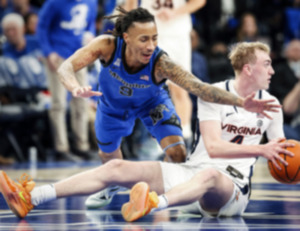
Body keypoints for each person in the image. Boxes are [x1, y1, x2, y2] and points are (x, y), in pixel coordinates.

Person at [0, 41, 293, 221]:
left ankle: (152, 203)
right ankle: (32, 198)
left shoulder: (273, 105)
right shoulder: (214, 94)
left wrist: (282, 158)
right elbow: (214, 147)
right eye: (266, 64)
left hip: (230, 190)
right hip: (192, 177)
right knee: (115, 166)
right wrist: (260, 149)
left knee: (211, 176)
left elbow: (281, 151)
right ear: (247, 68)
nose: (273, 71)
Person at [125, 0, 207, 146]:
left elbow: (199, 2)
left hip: (177, 35)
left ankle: (185, 136)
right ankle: (156, 138)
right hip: (151, 35)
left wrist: (175, 12)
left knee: (180, 88)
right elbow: (130, 4)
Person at [36, 0, 97, 162]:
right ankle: (61, 148)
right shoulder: (55, 2)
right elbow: (41, 27)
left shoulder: (91, 2)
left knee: (82, 101)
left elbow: (89, 25)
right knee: (59, 103)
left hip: (79, 56)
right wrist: (48, 52)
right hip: (58, 56)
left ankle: (81, 146)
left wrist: (90, 36)